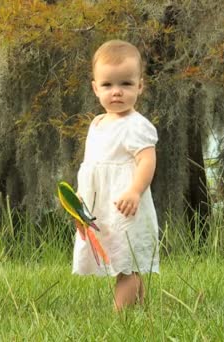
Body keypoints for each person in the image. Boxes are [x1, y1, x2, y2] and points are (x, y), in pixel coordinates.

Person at [73, 39, 159, 311]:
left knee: (127, 262)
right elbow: (90, 165)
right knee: (121, 260)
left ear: (140, 86)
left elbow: (147, 160)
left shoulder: (136, 126)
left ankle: (120, 318)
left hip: (124, 205)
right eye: (108, 85)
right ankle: (139, 312)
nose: (117, 92)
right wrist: (79, 198)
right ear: (95, 88)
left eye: (126, 84)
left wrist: (135, 190)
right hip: (100, 207)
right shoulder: (97, 124)